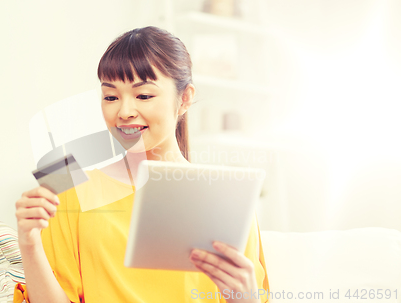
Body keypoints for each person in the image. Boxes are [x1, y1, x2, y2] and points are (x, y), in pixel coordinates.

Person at [14, 26, 270, 303]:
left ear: (184, 98)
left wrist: (245, 297)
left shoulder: (227, 196)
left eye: (143, 96)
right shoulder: (66, 182)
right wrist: (29, 244)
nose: (124, 112)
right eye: (110, 97)